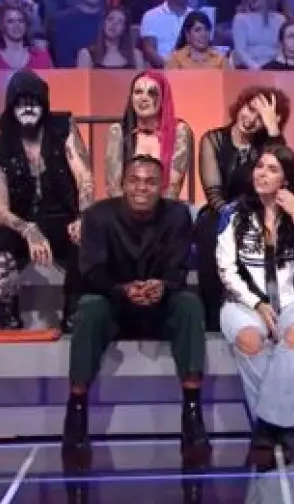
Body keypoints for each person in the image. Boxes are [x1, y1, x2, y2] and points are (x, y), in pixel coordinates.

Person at [62, 155, 209, 454]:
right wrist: (123, 290)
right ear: (122, 184)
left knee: (189, 304)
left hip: (159, 304)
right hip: (114, 304)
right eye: (135, 181)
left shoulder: (177, 214)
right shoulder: (97, 216)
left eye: (150, 182)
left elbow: (178, 269)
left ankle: (193, 413)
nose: (142, 188)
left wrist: (162, 286)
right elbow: (93, 272)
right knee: (89, 307)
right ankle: (76, 411)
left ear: (162, 187)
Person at [216, 144, 294, 459]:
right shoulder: (234, 214)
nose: (262, 174)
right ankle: (281, 426)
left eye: (272, 169)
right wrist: (257, 303)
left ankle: (266, 426)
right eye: (260, 167)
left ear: (286, 180)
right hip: (242, 302)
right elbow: (226, 269)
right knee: (249, 338)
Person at [0, 70, 96, 331]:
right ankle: (9, 316)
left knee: (86, 237)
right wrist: (28, 230)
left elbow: (84, 178)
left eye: (33, 102)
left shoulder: (63, 128)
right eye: (21, 102)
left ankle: (73, 314)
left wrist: (83, 216)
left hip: (62, 217)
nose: (28, 108)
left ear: (44, 105)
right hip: (20, 222)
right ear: (11, 106)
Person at [192, 86, 290, 331]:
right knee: (209, 228)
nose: (250, 119)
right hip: (221, 212)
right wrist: (235, 219)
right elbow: (213, 193)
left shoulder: (266, 146)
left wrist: (273, 130)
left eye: (261, 117)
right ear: (240, 106)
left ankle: (272, 313)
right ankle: (212, 319)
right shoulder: (213, 140)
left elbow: (283, 174)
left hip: (260, 211)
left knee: (276, 225)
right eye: (249, 109)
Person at [104, 72, 195, 201]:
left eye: (151, 93)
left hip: (164, 206)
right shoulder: (117, 132)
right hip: (125, 207)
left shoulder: (179, 131)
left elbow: (173, 188)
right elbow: (114, 187)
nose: (144, 98)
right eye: (138, 92)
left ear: (163, 98)